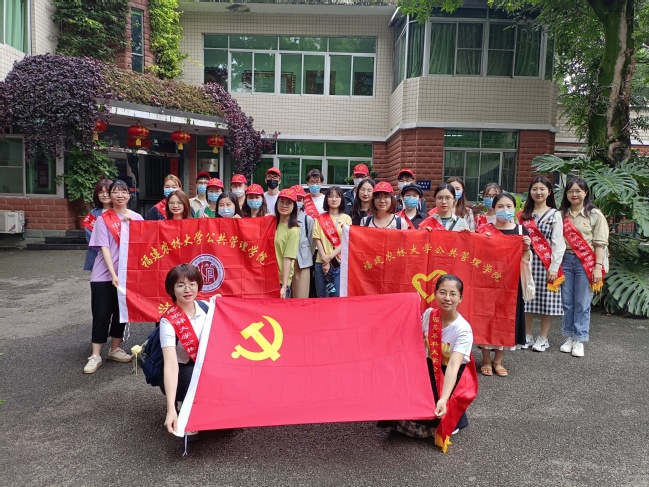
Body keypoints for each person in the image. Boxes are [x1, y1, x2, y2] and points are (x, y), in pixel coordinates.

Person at [381, 275, 474, 439]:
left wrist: (444, 398)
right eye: (442, 292)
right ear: (435, 293)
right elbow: (410, 336)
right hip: (426, 369)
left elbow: (453, 366)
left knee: (436, 414)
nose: (447, 298)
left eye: (453, 294)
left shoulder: (463, 329)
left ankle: (448, 414)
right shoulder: (429, 315)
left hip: (449, 375)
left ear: (461, 298)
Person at [84, 179, 144, 374]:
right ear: (110, 196)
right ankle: (95, 355)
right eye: (115, 192)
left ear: (129, 195)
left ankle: (115, 349)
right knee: (101, 313)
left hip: (127, 275)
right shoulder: (103, 219)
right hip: (103, 275)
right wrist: (112, 273)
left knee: (121, 312)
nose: (120, 195)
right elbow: (104, 247)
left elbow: (143, 245)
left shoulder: (137, 218)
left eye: (123, 191)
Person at [476, 193, 532, 376]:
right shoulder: (484, 230)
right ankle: (485, 359)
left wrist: (526, 248)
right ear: (493, 208)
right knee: (485, 317)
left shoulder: (521, 231)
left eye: (509, 206)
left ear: (514, 208)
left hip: (510, 284)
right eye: (500, 206)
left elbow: (525, 259)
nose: (504, 210)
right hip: (486, 282)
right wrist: (480, 240)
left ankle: (498, 360)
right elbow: (475, 255)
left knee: (505, 318)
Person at [558, 177, 609, 357]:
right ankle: (568, 336)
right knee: (567, 301)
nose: (574, 194)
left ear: (585, 193)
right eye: (571, 191)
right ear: (566, 194)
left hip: (585, 262)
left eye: (578, 191)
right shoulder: (561, 215)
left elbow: (600, 243)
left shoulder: (595, 215)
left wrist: (597, 267)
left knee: (582, 302)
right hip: (565, 260)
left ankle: (579, 338)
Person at [160, 264, 209, 438]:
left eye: (192, 284)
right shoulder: (168, 321)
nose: (187, 290)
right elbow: (171, 365)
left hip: (206, 364)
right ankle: (183, 406)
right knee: (194, 380)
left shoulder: (206, 307)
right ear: (172, 289)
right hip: (183, 370)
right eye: (180, 285)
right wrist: (170, 408)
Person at [518, 175, 566, 352]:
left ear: (549, 192)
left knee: (548, 301)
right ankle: (527, 335)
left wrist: (554, 267)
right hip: (527, 262)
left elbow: (558, 243)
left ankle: (543, 338)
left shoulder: (554, 214)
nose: (538, 192)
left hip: (547, 264)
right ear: (530, 192)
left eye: (542, 189)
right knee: (527, 298)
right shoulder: (523, 215)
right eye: (535, 189)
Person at [313, 186, 352, 298]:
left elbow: (346, 241)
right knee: (322, 296)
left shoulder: (347, 218)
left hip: (338, 263)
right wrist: (325, 260)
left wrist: (330, 257)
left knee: (336, 296)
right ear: (326, 199)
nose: (334, 199)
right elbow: (317, 239)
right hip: (321, 262)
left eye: (337, 196)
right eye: (330, 196)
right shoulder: (319, 218)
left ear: (341, 199)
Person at [274, 188, 300, 299]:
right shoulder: (271, 223)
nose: (284, 205)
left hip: (280, 281)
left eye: (288, 203)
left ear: (294, 206)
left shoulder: (293, 230)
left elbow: (288, 259)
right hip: (267, 277)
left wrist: (284, 286)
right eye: (281, 202)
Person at [83, 179, 113, 271]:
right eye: (101, 192)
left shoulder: (121, 212)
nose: (104, 195)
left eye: (107, 192)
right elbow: (91, 236)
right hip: (98, 254)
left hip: (118, 254)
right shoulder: (93, 214)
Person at [291, 185, 314, 299]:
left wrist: (305, 256)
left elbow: (312, 243)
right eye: (294, 199)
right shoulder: (282, 219)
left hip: (302, 263)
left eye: (299, 199)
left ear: (304, 201)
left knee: (301, 297)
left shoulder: (307, 220)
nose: (297, 202)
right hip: (286, 262)